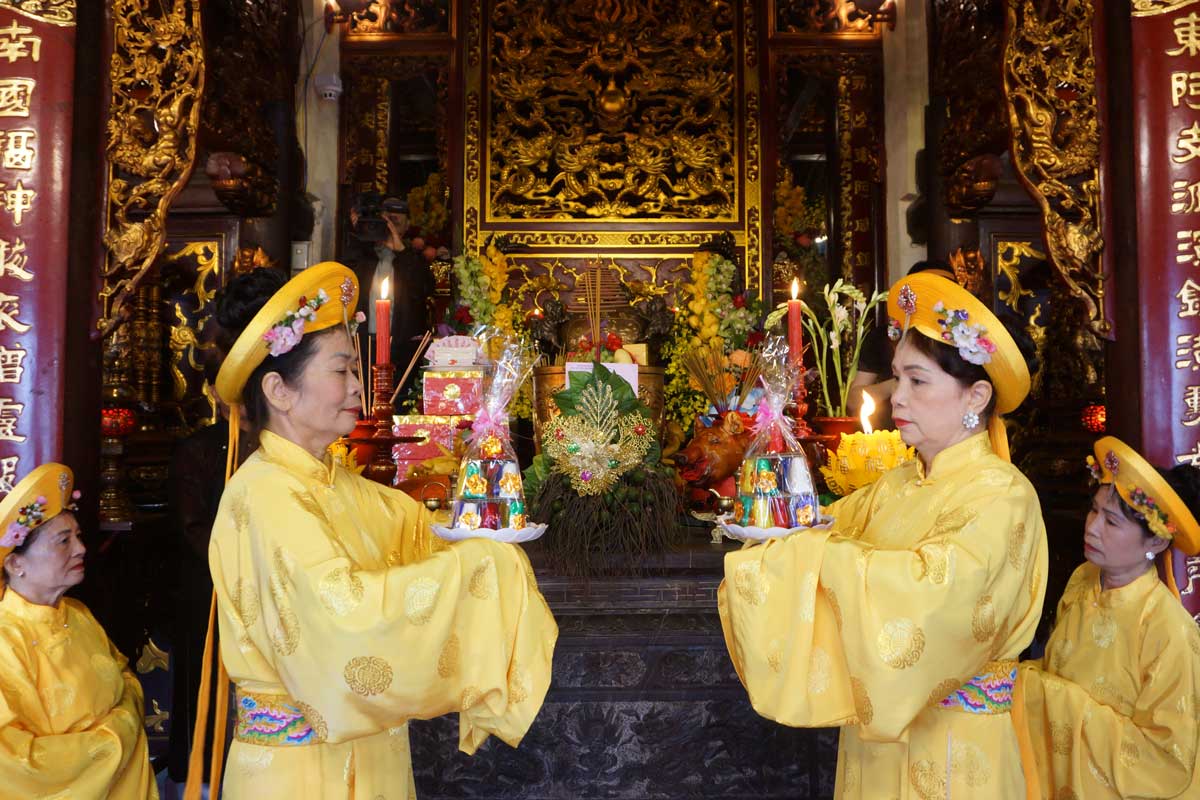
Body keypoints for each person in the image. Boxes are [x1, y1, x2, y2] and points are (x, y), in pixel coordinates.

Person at [185, 262, 557, 799]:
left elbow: (423, 538)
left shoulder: (341, 487)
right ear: (279, 390)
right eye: (341, 371)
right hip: (301, 774)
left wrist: (487, 498)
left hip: (371, 759)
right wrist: (479, 568)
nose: (357, 386)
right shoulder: (265, 492)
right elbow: (347, 620)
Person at [720, 272, 1047, 798]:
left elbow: (933, 598)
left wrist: (817, 554)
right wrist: (773, 515)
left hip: (957, 751)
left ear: (977, 395)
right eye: (897, 378)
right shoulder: (896, 485)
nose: (898, 398)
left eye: (919, 381)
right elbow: (813, 528)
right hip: (875, 746)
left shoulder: (1003, 496)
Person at [1017, 437, 1200, 798]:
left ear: (1156, 542)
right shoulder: (1083, 579)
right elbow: (1058, 667)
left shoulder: (1168, 630)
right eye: (1093, 510)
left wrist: (1045, 694)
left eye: (1111, 522)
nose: (1092, 527)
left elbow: (1165, 762)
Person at [0, 463, 157, 799]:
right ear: (16, 564)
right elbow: (11, 762)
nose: (81, 549)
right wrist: (112, 741)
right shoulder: (5, 639)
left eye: (78, 536)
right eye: (63, 541)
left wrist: (122, 724)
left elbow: (125, 678)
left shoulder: (78, 614)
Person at [847, 261, 956, 429]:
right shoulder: (884, 337)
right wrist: (898, 383)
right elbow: (853, 400)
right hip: (890, 434)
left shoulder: (963, 340)